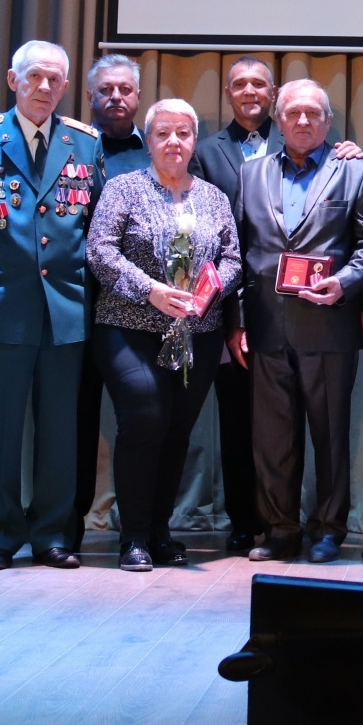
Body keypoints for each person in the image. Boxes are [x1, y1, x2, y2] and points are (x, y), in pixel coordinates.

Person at [0, 40, 102, 571]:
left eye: (55, 80)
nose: (44, 87)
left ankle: (51, 535)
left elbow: (94, 232)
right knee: (1, 430)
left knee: (60, 433)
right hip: (0, 305)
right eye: (34, 77)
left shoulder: (85, 143)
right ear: (13, 81)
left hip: (65, 309)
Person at [85, 99, 240, 571]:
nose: (174, 142)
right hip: (129, 327)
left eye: (184, 133)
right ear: (148, 140)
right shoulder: (123, 188)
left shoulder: (213, 196)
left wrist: (208, 292)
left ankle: (159, 531)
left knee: (177, 429)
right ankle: (131, 536)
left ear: (194, 140)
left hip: (199, 331)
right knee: (146, 417)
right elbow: (100, 251)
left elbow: (233, 257)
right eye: (163, 133)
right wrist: (150, 290)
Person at [232, 79, 363, 564]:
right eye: (293, 113)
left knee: (331, 436)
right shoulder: (250, 174)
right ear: (277, 120)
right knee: (272, 439)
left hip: (328, 323)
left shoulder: (355, 173)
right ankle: (280, 529)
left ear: (327, 121)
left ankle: (328, 529)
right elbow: (235, 250)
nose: (302, 121)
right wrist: (236, 321)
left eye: (313, 114)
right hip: (266, 327)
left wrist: (345, 283)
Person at [190, 57, 279, 553]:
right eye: (240, 83)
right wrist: (229, 318)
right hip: (231, 308)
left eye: (259, 84)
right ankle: (244, 521)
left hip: (291, 307)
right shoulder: (205, 153)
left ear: (273, 91)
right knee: (238, 421)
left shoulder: (303, 141)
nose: (249, 92)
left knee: (287, 421)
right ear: (228, 92)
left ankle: (284, 517)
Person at [66, 54, 147, 552]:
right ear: (90, 95)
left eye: (125, 89)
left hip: (136, 315)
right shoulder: (69, 148)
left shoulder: (158, 149)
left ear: (138, 96)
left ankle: (139, 527)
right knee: (73, 423)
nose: (115, 97)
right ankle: (66, 527)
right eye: (105, 90)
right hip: (75, 308)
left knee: (142, 420)